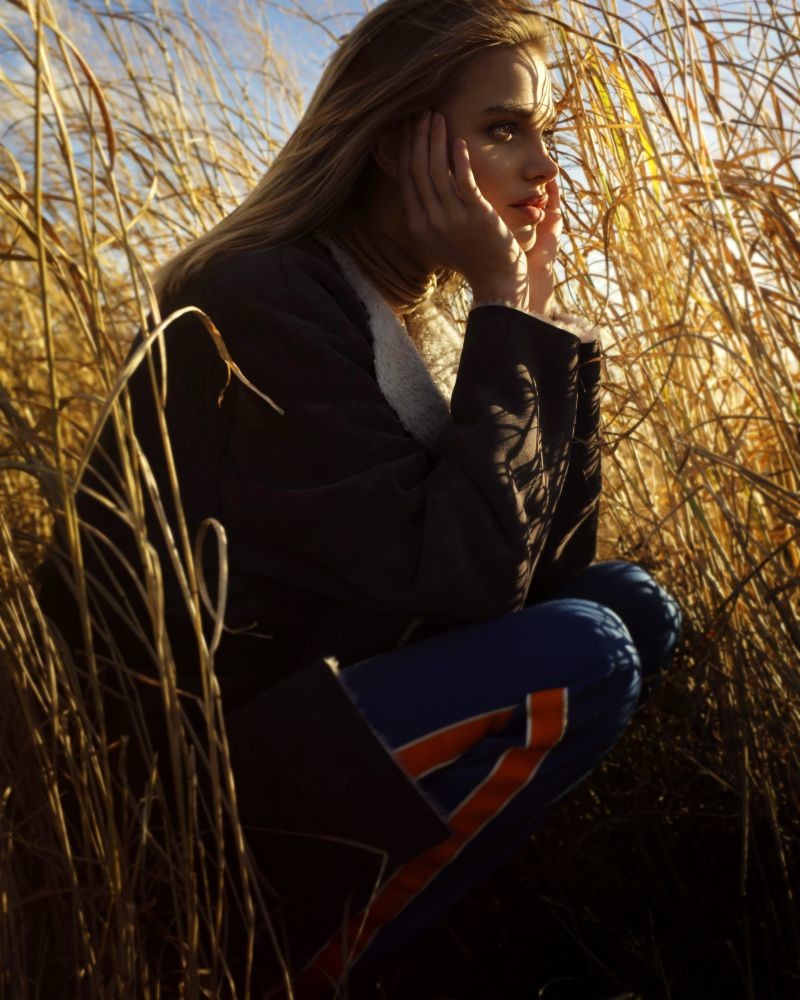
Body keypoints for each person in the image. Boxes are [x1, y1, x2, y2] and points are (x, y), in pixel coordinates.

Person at [37, 0, 683, 995]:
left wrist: (528, 318)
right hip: (190, 798)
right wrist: (502, 309)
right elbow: (466, 579)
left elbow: (541, 572)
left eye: (541, 130)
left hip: (306, 707)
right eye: (503, 128)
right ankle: (272, 966)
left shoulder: (392, 307)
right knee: (587, 652)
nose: (543, 166)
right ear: (396, 144)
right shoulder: (258, 301)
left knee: (629, 604)